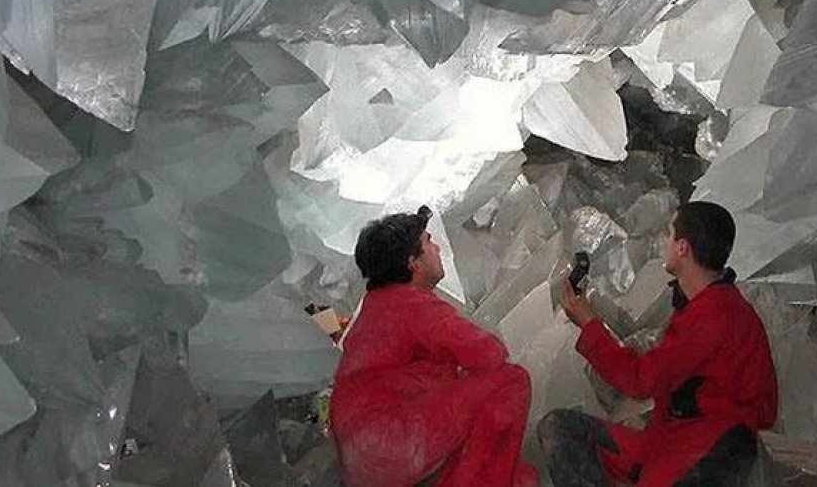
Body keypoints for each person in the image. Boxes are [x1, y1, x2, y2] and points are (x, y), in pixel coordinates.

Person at [540, 201, 777, 486]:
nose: (666, 241)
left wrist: (589, 325)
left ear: (682, 247)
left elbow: (642, 381)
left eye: (670, 233)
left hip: (708, 448)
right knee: (561, 429)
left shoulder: (715, 314)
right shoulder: (705, 306)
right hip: (668, 440)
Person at [330, 206, 539, 487]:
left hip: (364, 458)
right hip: (393, 443)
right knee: (510, 381)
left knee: (522, 476)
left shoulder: (377, 305)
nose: (438, 248)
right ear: (413, 263)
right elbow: (490, 354)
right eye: (429, 242)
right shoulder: (409, 304)